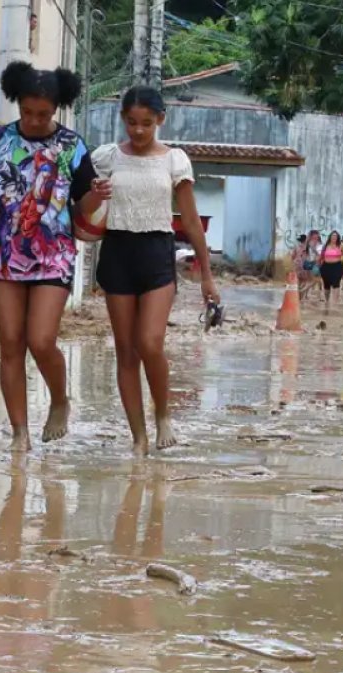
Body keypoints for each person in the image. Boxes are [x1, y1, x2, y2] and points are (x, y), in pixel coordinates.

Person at [0, 61, 110, 451]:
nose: (34, 121)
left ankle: (60, 400)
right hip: (4, 255)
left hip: (55, 255)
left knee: (41, 339)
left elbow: (83, 204)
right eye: (27, 113)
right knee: (11, 343)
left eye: (44, 114)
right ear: (18, 104)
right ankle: (20, 433)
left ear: (56, 110)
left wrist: (96, 196)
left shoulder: (72, 145)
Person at [86, 86, 219, 454]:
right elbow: (82, 207)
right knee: (126, 351)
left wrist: (207, 275)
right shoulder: (106, 157)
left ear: (160, 119)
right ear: (122, 119)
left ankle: (162, 415)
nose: (139, 131)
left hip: (158, 252)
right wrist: (94, 194)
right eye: (131, 122)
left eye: (146, 123)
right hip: (117, 252)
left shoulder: (175, 160)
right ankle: (138, 438)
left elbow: (191, 222)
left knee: (149, 342)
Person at [319, 230, 343, 308]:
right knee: (326, 285)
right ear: (330, 237)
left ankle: (335, 304)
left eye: (336, 236)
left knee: (336, 283)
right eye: (333, 236)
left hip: (337, 266)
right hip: (326, 267)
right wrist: (316, 263)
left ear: (338, 237)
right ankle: (327, 302)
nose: (334, 237)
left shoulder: (340, 246)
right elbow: (321, 256)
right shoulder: (325, 246)